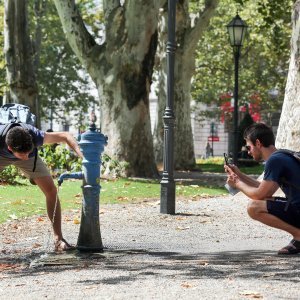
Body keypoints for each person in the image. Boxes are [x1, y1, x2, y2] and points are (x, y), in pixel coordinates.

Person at [0, 124, 83, 251]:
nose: (26, 156)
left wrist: (82, 156)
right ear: (10, 148)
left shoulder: (34, 135)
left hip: (31, 161)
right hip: (2, 156)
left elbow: (65, 136)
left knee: (51, 191)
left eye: (29, 151)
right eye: (24, 154)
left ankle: (58, 239)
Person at [225, 122, 300, 255]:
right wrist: (239, 175)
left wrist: (237, 183)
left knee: (254, 207)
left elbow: (259, 195)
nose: (248, 152)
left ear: (258, 143)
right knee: (264, 201)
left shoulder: (274, 161)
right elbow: (263, 187)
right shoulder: (281, 156)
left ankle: (299, 236)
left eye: (249, 147)